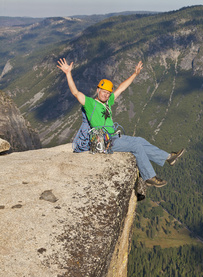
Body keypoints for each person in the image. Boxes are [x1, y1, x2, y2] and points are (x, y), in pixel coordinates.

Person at [57, 58, 184, 188]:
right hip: (101, 141)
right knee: (136, 147)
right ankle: (149, 177)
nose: (106, 95)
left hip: (111, 136)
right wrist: (68, 73)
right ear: (98, 90)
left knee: (139, 140)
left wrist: (135, 74)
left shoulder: (107, 102)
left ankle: (168, 157)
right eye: (103, 92)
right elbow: (75, 92)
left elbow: (121, 88)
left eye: (108, 93)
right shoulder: (91, 104)